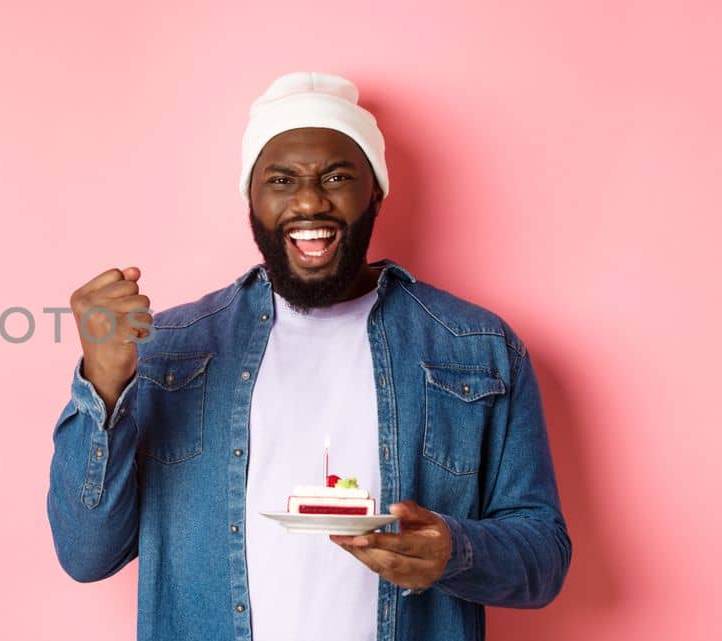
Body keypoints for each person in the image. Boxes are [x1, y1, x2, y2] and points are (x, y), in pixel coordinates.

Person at [45, 72, 570, 641]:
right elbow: (86, 555)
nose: (309, 200)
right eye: (281, 179)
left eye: (337, 176)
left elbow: (543, 557)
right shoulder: (170, 348)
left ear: (376, 191)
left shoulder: (476, 348)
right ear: (252, 197)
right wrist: (102, 382)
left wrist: (456, 550)